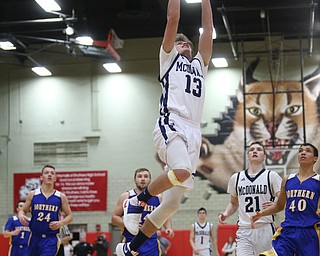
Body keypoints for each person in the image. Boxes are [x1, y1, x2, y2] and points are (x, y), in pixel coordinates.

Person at [116, 0, 213, 255]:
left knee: (171, 206)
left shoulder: (200, 66)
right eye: (182, 42)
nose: (187, 45)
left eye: (189, 44)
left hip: (193, 132)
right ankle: (137, 201)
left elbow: (208, 30)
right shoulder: (168, 59)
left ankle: (130, 249)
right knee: (180, 171)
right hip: (171, 122)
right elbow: (172, 18)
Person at [251, 143, 320, 256]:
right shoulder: (287, 179)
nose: (303, 152)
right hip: (288, 232)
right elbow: (279, 205)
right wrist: (261, 214)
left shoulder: (318, 181)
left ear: (315, 158)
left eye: (308, 151)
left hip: (309, 233)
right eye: (301, 150)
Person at [218, 142, 282, 256]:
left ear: (265, 157)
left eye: (259, 149)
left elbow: (283, 200)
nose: (255, 151)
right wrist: (226, 213)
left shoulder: (271, 176)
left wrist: (275, 204)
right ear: (248, 156)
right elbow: (233, 203)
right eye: (252, 149)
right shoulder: (236, 178)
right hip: (244, 230)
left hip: (265, 229)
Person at [112, 168, 174, 255]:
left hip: (151, 243)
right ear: (135, 180)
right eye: (139, 176)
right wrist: (130, 224)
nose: (143, 179)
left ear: (150, 180)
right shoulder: (126, 196)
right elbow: (114, 218)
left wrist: (168, 228)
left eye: (146, 176)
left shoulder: (158, 197)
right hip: (131, 241)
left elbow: (165, 215)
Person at [18, 164, 73, 256]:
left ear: (55, 178)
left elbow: (70, 216)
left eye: (52, 173)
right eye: (46, 173)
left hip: (50, 239)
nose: (49, 175)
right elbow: (22, 210)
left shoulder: (60, 197)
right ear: (41, 177)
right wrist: (21, 215)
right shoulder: (33, 194)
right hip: (34, 237)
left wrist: (61, 223)